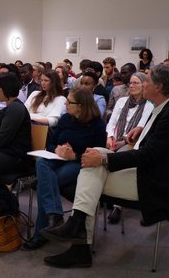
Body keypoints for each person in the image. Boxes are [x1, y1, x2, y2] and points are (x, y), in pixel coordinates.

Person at [41, 64, 169, 268]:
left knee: (91, 172)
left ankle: (79, 239)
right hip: (150, 170)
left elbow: (148, 155)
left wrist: (104, 160)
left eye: (147, 81)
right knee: (95, 153)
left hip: (156, 182)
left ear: (159, 87)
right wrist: (141, 129)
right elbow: (154, 144)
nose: (142, 84)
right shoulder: (166, 107)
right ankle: (77, 229)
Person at [23, 88, 106, 250]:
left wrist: (74, 155)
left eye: (69, 102)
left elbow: (99, 152)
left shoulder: (97, 124)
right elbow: (52, 142)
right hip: (58, 158)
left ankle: (41, 233)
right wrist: (57, 150)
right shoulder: (66, 119)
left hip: (79, 163)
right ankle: (55, 215)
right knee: (41, 163)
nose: (66, 104)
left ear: (81, 106)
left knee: (43, 184)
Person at [105, 72, 154, 223]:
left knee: (119, 159)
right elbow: (112, 122)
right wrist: (110, 136)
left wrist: (124, 142)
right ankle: (105, 192)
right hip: (114, 140)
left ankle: (117, 205)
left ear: (144, 85)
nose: (132, 86)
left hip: (132, 143)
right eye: (131, 83)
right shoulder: (121, 101)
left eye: (136, 83)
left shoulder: (149, 105)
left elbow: (141, 127)